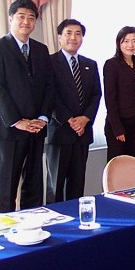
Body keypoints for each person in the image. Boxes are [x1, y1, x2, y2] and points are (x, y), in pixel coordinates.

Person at [0, 0, 54, 212]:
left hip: (36, 128)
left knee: (34, 184)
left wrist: (43, 118)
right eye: (21, 16)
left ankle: (33, 225)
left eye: (31, 17)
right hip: (9, 130)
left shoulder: (41, 50)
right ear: (10, 19)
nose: (26, 21)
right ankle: (6, 231)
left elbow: (48, 86)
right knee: (8, 185)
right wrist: (17, 121)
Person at [46, 19, 102, 203]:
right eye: (69, 33)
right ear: (60, 37)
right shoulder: (49, 62)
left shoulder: (90, 64)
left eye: (78, 33)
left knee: (77, 184)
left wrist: (85, 118)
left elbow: (96, 94)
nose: (73, 37)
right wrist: (70, 119)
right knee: (55, 184)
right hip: (60, 131)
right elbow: (49, 95)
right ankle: (54, 222)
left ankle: (75, 222)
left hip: (82, 133)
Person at [103, 26, 135, 162]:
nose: (130, 45)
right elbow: (110, 98)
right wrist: (117, 128)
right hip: (118, 124)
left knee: (130, 162)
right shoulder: (111, 65)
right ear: (119, 43)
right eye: (126, 41)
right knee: (117, 165)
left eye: (134, 41)